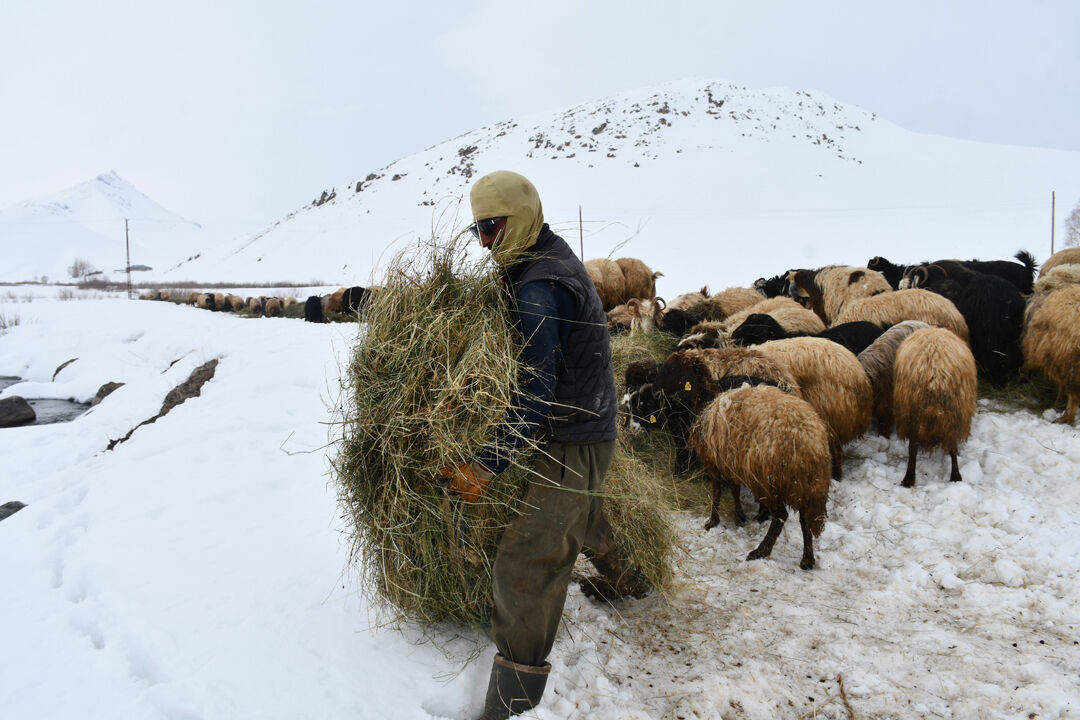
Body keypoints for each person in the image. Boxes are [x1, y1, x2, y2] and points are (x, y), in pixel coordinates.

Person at [436, 170, 648, 719]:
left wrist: (484, 466)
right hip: (588, 421)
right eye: (478, 230)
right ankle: (630, 579)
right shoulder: (542, 257)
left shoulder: (539, 285)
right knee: (579, 511)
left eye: (493, 227)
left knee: (527, 562)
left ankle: (509, 705)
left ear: (521, 217)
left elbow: (534, 392)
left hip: (573, 432)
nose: (485, 242)